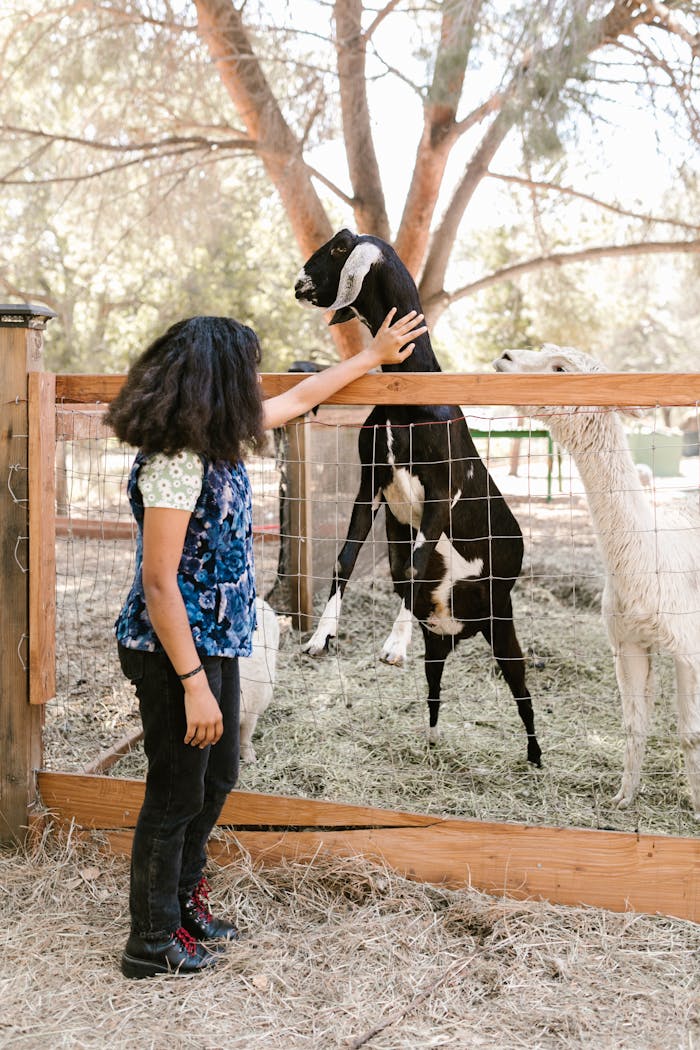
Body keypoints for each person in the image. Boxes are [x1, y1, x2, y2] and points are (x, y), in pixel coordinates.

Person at [106, 308, 426, 979]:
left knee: (216, 775)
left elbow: (305, 395)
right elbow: (160, 584)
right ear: (219, 380)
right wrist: (193, 683)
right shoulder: (173, 464)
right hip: (172, 650)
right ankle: (151, 942)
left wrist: (373, 356)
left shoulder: (220, 442)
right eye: (248, 370)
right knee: (175, 792)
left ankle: (184, 906)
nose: (258, 382)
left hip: (216, 640)